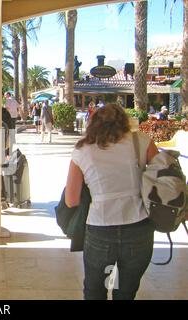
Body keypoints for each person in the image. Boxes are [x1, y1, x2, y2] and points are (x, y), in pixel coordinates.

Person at [65, 103, 159, 300]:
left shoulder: (82, 150)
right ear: (124, 121)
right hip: (139, 226)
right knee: (126, 292)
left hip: (100, 228)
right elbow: (162, 179)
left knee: (95, 290)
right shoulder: (142, 141)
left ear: (93, 124)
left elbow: (71, 200)